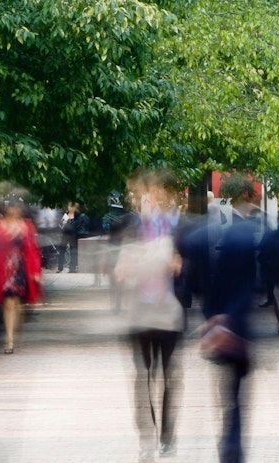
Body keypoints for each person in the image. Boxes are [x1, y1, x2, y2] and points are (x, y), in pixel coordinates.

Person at [178, 173, 258, 463]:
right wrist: (230, 317)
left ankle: (228, 442)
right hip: (238, 326)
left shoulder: (196, 238)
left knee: (225, 389)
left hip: (213, 325)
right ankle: (232, 446)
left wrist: (212, 318)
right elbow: (252, 284)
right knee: (235, 392)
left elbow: (191, 284)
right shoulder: (246, 235)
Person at [114, 176, 185, 462]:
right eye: (142, 193)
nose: (147, 197)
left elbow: (190, 266)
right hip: (141, 313)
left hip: (168, 312)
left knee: (170, 378)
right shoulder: (132, 228)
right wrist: (124, 271)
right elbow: (120, 270)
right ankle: (147, 439)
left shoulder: (178, 227)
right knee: (143, 379)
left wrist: (180, 265)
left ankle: (167, 436)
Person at [0, 199, 42, 354]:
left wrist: (36, 271)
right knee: (8, 303)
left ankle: (14, 332)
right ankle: (9, 340)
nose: (14, 210)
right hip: (2, 269)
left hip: (20, 268)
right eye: (11, 207)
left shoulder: (26, 226)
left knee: (16, 303)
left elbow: (33, 250)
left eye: (16, 207)